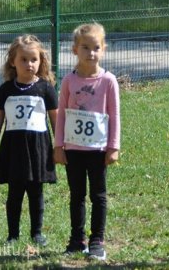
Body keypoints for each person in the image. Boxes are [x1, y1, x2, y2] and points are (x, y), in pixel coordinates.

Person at [54, 23, 120, 261]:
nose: (91, 53)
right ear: (74, 50)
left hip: (98, 149)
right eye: (85, 48)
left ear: (103, 49)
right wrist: (58, 145)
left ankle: (97, 241)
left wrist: (114, 146)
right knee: (76, 195)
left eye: (96, 48)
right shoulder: (68, 81)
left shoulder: (108, 81)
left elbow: (115, 115)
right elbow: (61, 114)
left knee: (99, 195)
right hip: (73, 148)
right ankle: (76, 239)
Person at [0, 35, 57, 245]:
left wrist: (60, 146)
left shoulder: (46, 88)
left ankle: (37, 233)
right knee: (15, 193)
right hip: (13, 148)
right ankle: (13, 235)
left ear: (41, 61)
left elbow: (56, 119)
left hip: (38, 148)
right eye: (24, 60)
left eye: (34, 60)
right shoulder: (6, 90)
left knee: (36, 192)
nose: (30, 64)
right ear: (13, 62)